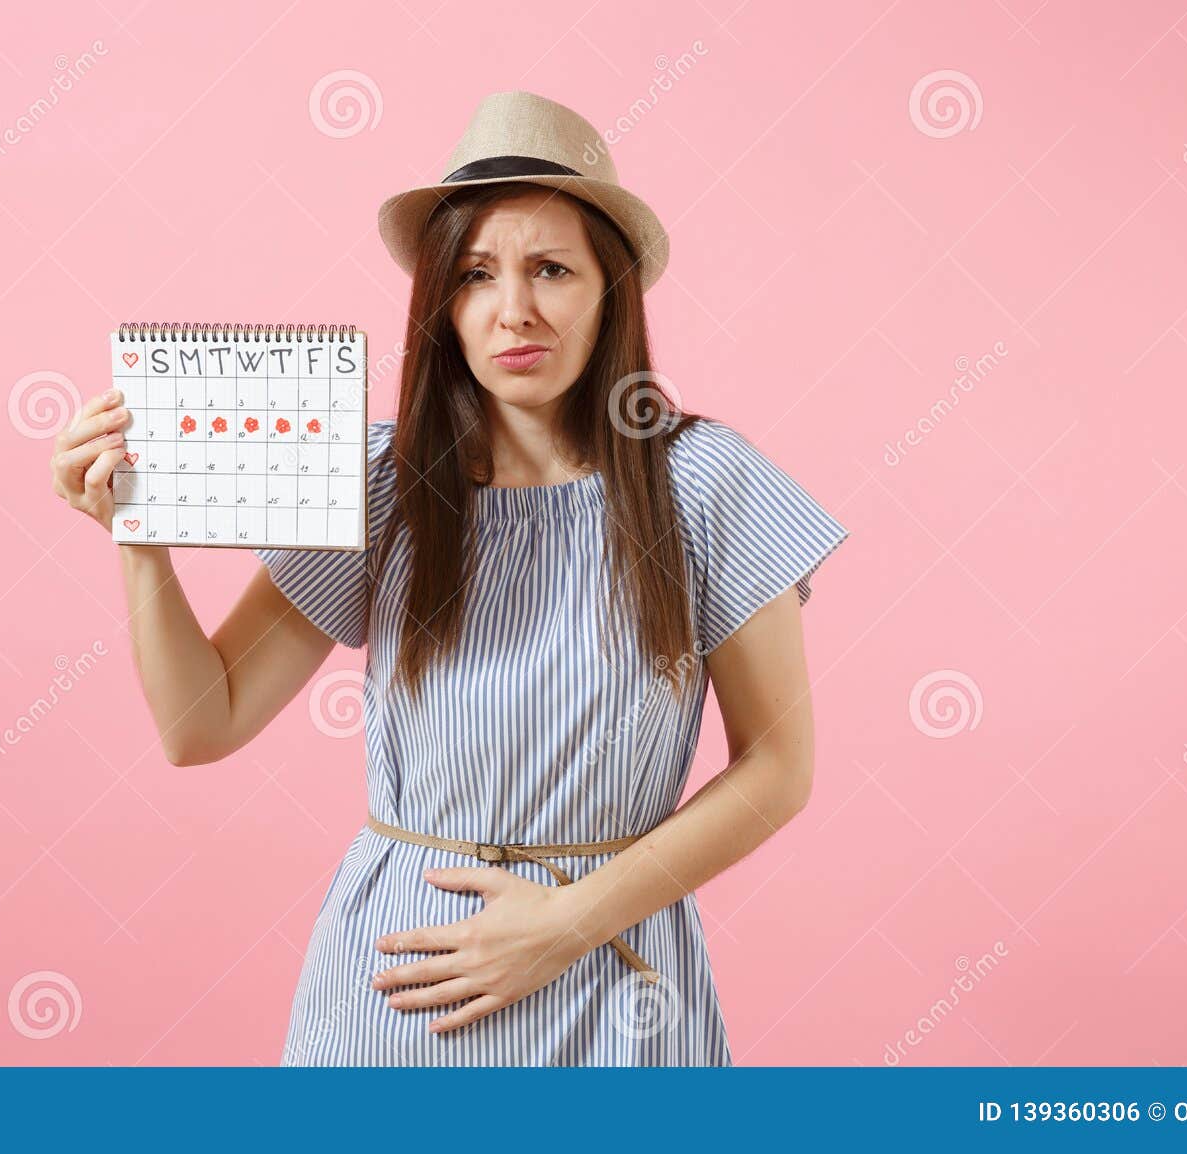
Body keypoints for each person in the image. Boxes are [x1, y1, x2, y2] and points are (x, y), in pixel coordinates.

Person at [50, 91, 849, 1065]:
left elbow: (778, 765)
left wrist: (564, 922)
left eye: (551, 268)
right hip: (397, 995)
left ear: (611, 291)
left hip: (612, 983)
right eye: (475, 275)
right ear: (441, 306)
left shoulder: (706, 480)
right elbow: (199, 722)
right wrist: (138, 533)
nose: (513, 308)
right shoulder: (379, 482)